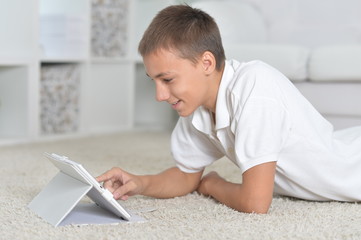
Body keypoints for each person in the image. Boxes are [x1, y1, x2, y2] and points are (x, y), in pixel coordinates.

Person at [96, 4, 361, 214]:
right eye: (153, 81)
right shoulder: (196, 108)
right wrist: (140, 183)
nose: (159, 95)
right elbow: (186, 177)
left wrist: (213, 184)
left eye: (167, 80)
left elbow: (256, 204)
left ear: (207, 63)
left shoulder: (254, 87)